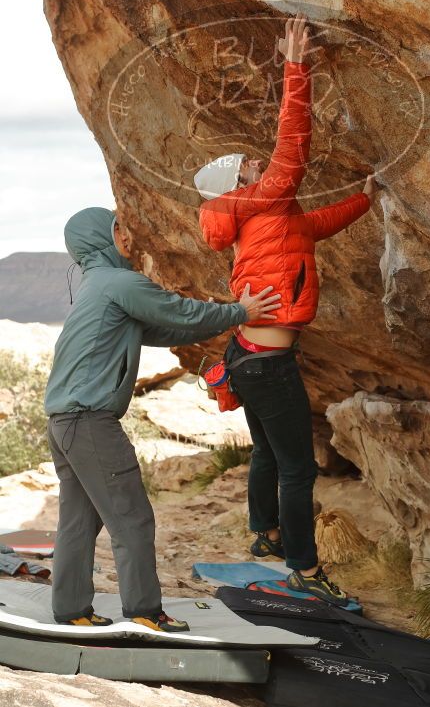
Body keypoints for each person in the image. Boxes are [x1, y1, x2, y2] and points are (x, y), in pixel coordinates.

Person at [195, 13, 377, 607]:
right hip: (268, 367)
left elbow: (317, 224)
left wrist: (366, 200)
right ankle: (304, 566)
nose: (260, 164)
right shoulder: (262, 196)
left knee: (271, 454)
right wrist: (296, 66)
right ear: (240, 181)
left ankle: (265, 537)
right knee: (299, 469)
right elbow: (293, 142)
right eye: (250, 164)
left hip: (253, 358)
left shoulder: (268, 217)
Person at [44, 206, 280, 631]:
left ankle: (72, 610)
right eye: (120, 227)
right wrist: (241, 312)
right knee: (131, 517)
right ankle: (144, 612)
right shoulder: (119, 283)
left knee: (79, 520)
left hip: (63, 423)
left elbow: (164, 330)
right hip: (91, 421)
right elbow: (178, 312)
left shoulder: (99, 287)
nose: (128, 236)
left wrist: (225, 322)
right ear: (103, 236)